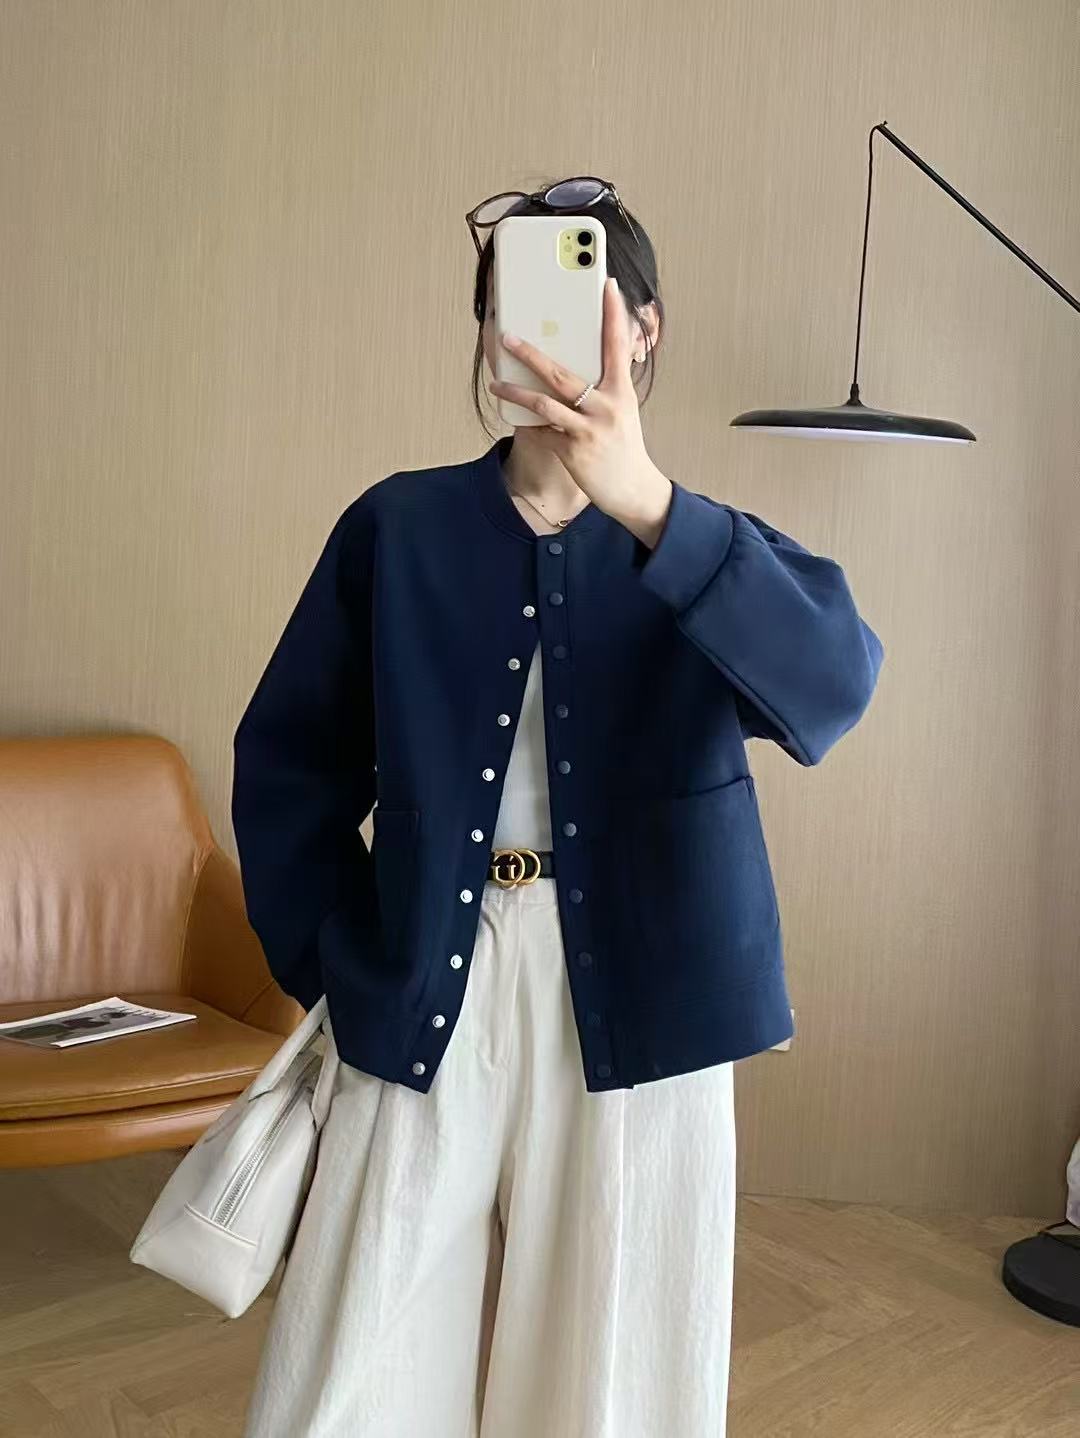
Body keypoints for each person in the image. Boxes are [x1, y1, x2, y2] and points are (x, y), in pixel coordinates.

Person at [231, 177, 884, 1437]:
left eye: (580, 306)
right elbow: (288, 762)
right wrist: (335, 965)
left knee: (618, 1375)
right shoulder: (399, 527)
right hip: (430, 968)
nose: (535, 334)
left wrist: (647, 503)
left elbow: (836, 683)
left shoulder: (700, 546)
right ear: (487, 334)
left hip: (647, 987)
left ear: (643, 329)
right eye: (511, 307)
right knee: (350, 1361)